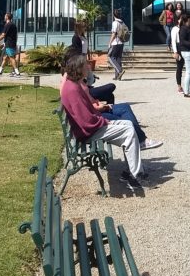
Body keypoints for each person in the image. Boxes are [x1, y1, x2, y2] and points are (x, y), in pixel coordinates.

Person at [60, 54, 149, 191]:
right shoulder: (72, 89)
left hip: (90, 128)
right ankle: (135, 175)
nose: (88, 67)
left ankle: (132, 172)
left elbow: (88, 113)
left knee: (128, 125)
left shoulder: (73, 84)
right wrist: (106, 121)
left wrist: (104, 120)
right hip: (88, 132)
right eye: (85, 65)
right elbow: (86, 121)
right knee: (129, 130)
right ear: (78, 68)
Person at [66, 22, 117, 104]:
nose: (85, 29)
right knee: (88, 75)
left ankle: (88, 87)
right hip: (80, 58)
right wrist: (81, 61)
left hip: (84, 57)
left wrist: (87, 56)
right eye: (83, 27)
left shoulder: (82, 36)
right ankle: (88, 89)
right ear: (79, 28)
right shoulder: (76, 37)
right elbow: (76, 50)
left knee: (90, 75)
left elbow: (85, 48)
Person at [0, 12, 21, 77]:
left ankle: (17, 72)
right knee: (5, 58)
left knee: (11, 58)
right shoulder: (13, 25)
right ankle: (0, 71)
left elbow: (3, 35)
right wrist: (4, 43)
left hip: (9, 44)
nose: (4, 17)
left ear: (7, 17)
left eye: (5, 16)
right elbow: (13, 35)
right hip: (11, 43)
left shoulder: (7, 25)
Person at [108, 9, 127, 81]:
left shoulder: (115, 23)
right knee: (118, 59)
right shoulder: (122, 22)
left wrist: (109, 42)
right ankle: (117, 76)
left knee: (111, 57)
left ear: (113, 15)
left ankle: (120, 70)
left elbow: (114, 34)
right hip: (121, 43)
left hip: (115, 43)